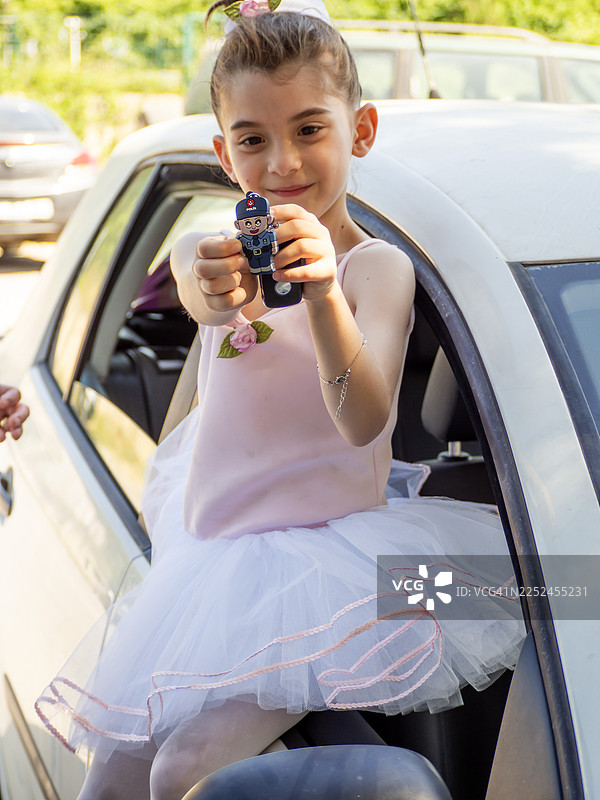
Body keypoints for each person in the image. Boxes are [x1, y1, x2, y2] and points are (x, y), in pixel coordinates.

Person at [35, 3, 525, 799]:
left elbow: (364, 420)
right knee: (111, 776)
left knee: (181, 771)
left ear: (359, 130)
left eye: (309, 130)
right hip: (214, 558)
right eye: (254, 140)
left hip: (328, 564)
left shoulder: (376, 271)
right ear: (223, 154)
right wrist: (216, 287)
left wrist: (324, 295)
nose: (284, 162)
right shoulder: (214, 254)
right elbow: (201, 294)